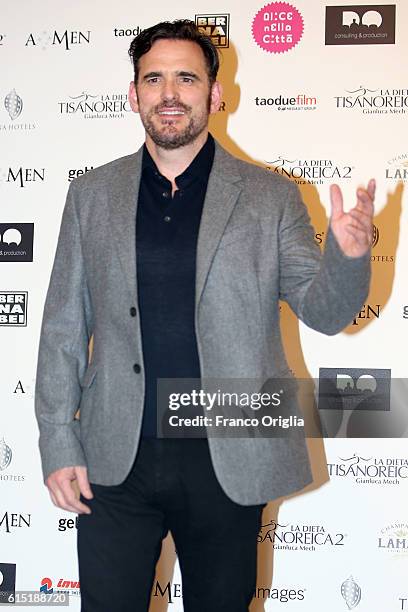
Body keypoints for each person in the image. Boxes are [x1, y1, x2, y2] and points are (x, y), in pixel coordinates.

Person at [34, 19, 375, 612]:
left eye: (187, 78)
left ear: (215, 94)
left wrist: (345, 258)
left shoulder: (270, 196)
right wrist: (58, 439)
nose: (170, 93)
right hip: (116, 460)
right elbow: (63, 327)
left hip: (229, 454)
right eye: (154, 79)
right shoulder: (91, 195)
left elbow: (324, 312)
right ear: (134, 94)